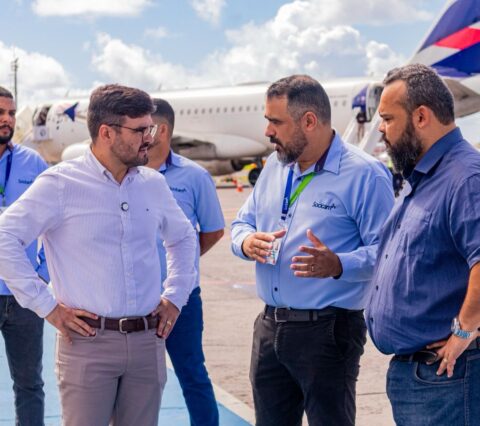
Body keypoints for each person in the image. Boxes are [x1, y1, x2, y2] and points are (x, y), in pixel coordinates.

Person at [0, 84, 197, 426]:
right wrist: (46, 306)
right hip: (87, 344)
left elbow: (183, 238)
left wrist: (176, 296)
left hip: (147, 343)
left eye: (149, 128)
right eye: (140, 130)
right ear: (107, 132)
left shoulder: (152, 183)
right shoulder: (60, 184)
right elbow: (5, 238)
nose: (149, 137)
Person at [231, 75, 394, 426]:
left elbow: (388, 254)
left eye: (276, 122)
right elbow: (240, 224)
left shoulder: (366, 175)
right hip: (270, 327)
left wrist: (338, 265)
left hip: (328, 331)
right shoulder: (275, 166)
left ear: (309, 121)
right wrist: (246, 242)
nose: (268, 132)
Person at [366, 64, 480, 426]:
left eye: (387, 118)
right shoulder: (425, 176)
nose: (381, 130)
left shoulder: (465, 177)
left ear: (420, 116)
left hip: (447, 377)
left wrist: (463, 332)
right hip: (420, 378)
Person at [146, 98, 225, 426]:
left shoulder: (194, 177)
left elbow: (213, 231)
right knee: (137, 385)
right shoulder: (125, 173)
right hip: (134, 302)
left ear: (161, 131)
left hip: (182, 301)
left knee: (192, 375)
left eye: (143, 125)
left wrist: (181, 265)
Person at [0, 86, 49, 425]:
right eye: (0, 113)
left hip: (24, 296)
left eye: (11, 113)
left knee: (29, 384)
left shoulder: (33, 162)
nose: (7, 120)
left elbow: (59, 222)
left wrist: (42, 272)